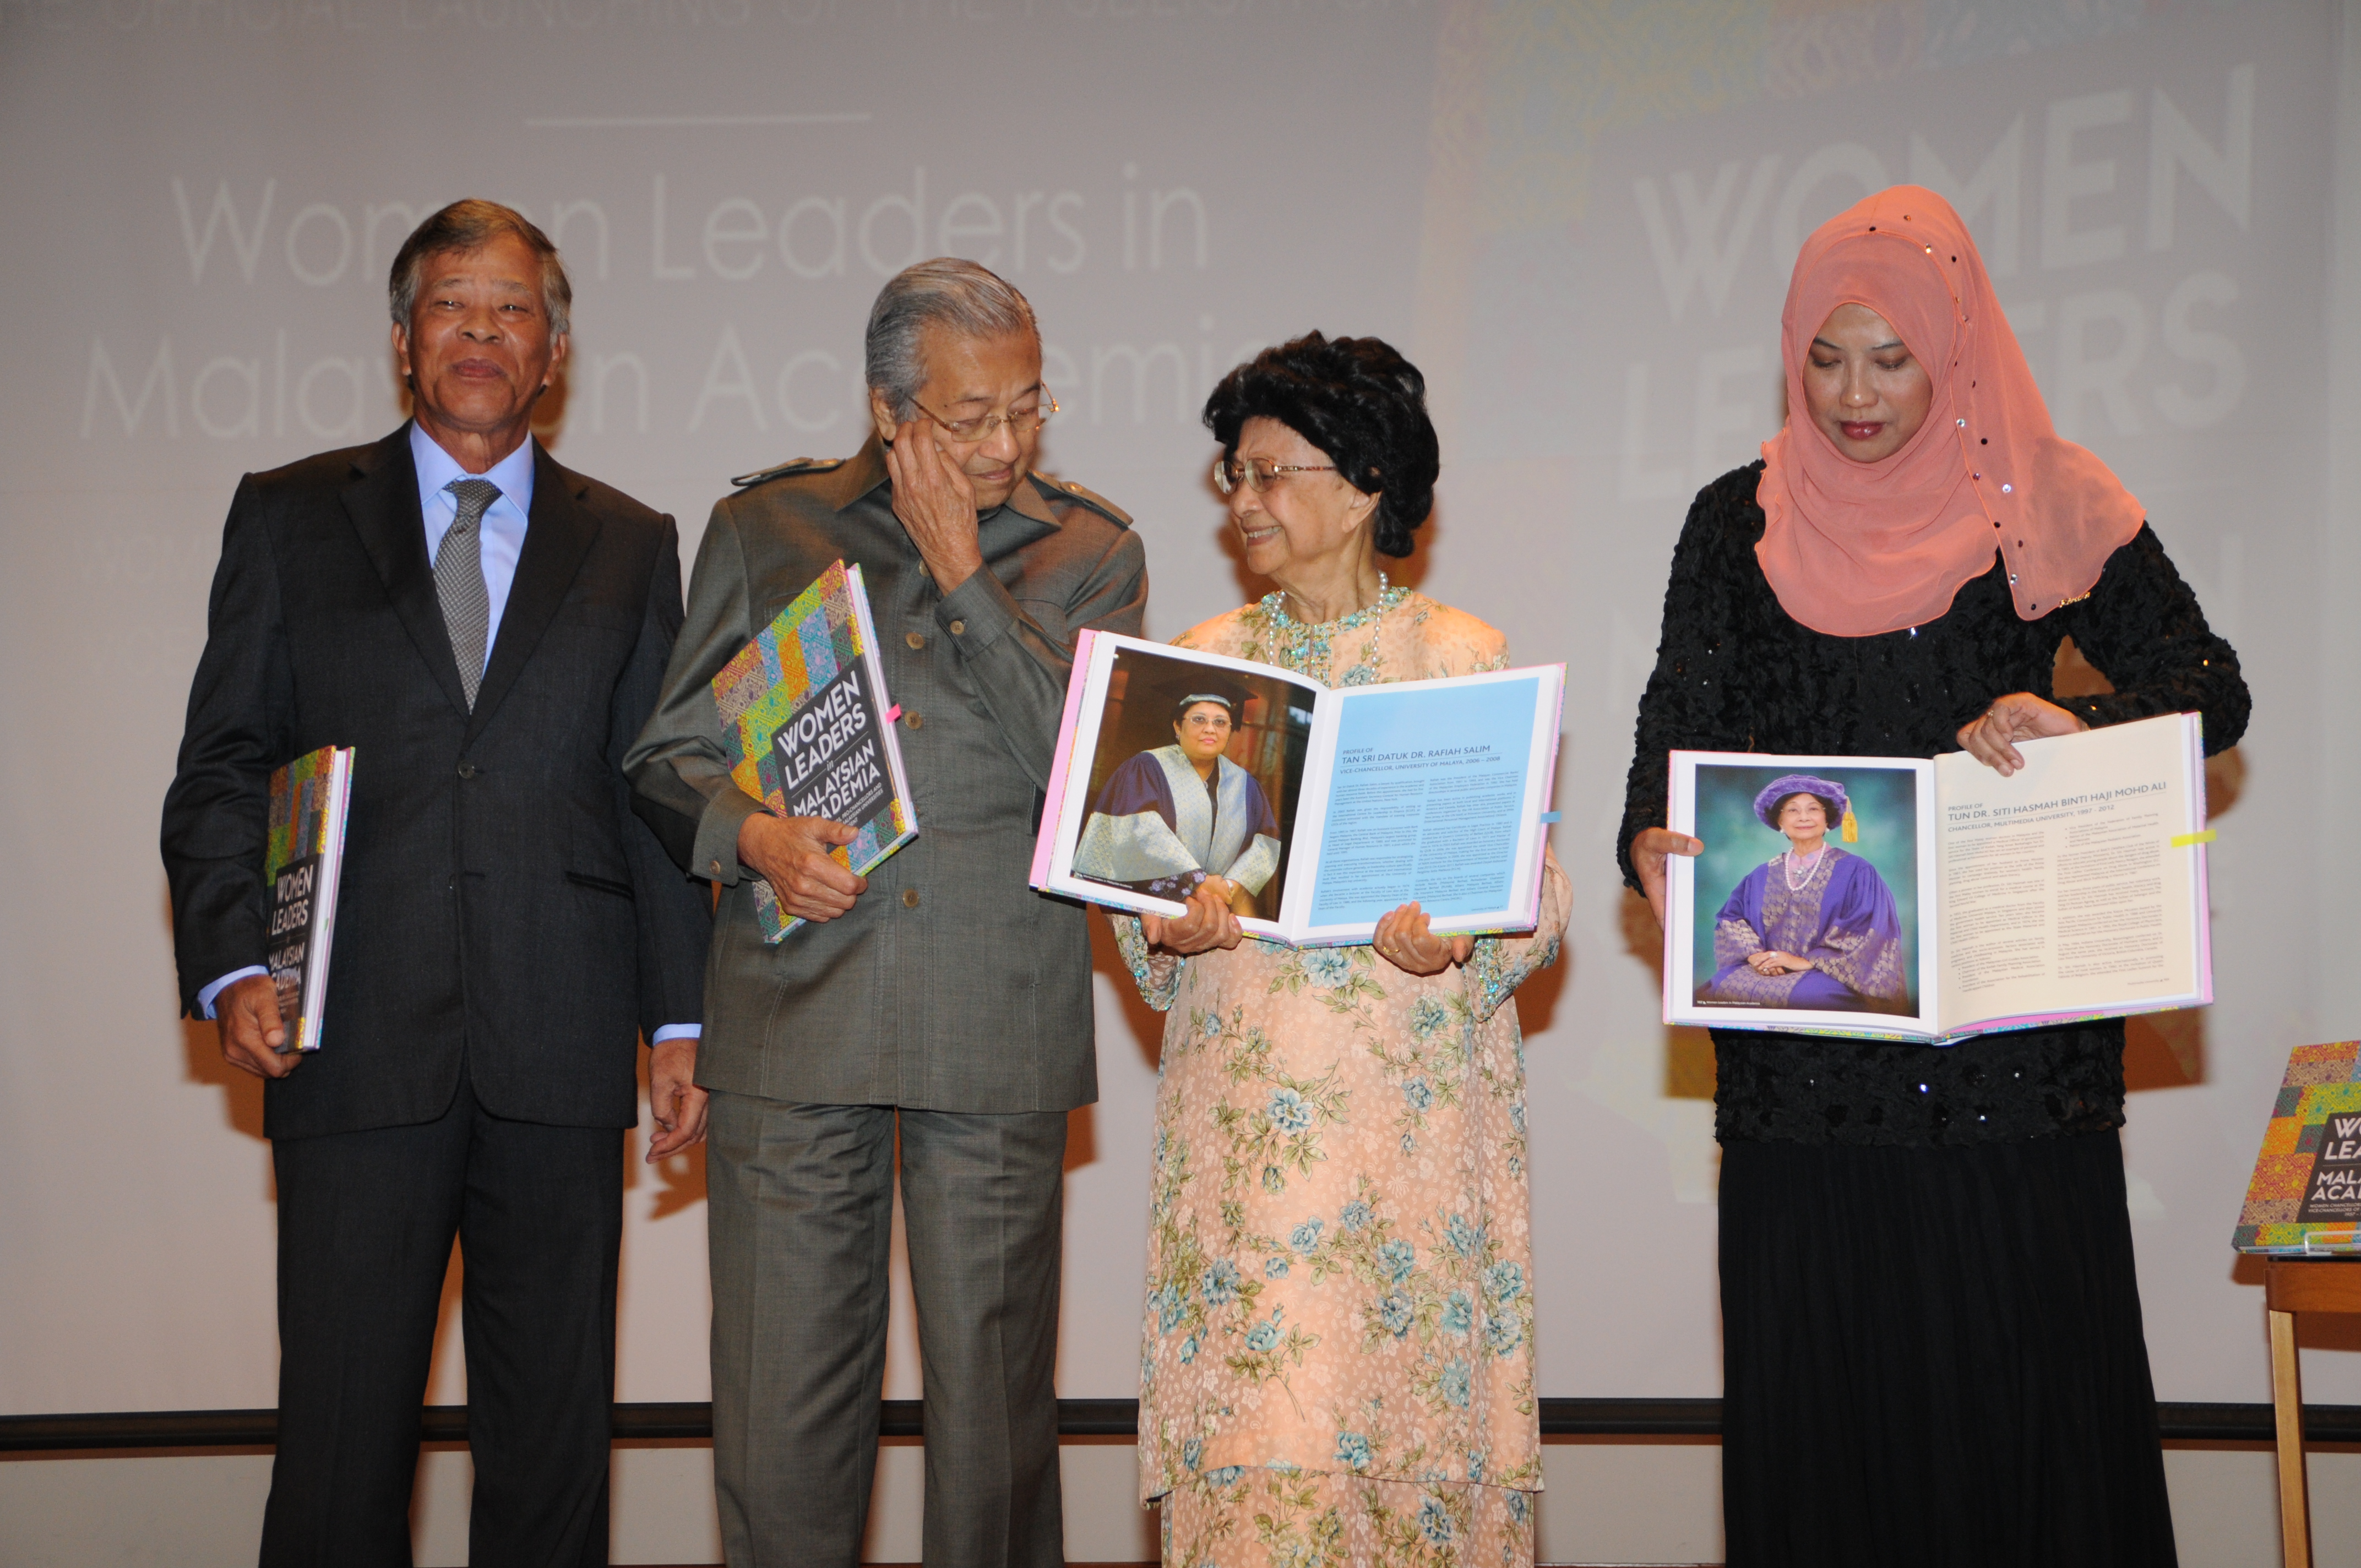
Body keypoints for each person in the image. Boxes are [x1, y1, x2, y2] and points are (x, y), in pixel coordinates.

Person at [1618, 187, 2248, 1566]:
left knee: (2025, 1410)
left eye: (1890, 359)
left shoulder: (2047, 498)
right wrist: (1650, 841)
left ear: (1953, 347)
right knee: (1828, 1420)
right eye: (1823, 358)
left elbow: (2209, 686)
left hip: (2012, 1058)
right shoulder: (1732, 522)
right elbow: (1673, 732)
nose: (1852, 396)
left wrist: (2073, 722)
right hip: (1804, 1074)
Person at [159, 200, 712, 1567]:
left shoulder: (631, 539)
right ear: (403, 340)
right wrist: (232, 961)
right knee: (339, 1446)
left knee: (551, 1450)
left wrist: (681, 1018)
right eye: (452, 304)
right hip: (349, 1038)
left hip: (558, 1043)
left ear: (554, 353)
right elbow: (223, 764)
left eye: (513, 308)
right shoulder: (289, 514)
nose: (482, 330)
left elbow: (651, 790)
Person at [624, 258, 1147, 1568]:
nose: (1006, 442)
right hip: (795, 1021)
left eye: (1026, 406)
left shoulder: (1093, 550)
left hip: (995, 1021)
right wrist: (750, 835)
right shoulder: (766, 528)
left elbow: (1092, 777)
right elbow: (666, 755)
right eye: (971, 417)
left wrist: (964, 569)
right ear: (886, 410)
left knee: (992, 1434)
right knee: (779, 1427)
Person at [1113, 332, 1569, 1567]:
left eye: (1271, 473)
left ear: (1366, 486)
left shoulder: (1460, 653)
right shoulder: (1201, 664)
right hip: (1244, 1134)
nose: (1244, 500)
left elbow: (1538, 893)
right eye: (1234, 474)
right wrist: (1165, 920)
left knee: (1409, 1450)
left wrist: (1464, 939)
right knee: (1259, 1441)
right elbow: (1135, 888)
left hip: (1411, 1133)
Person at [1700, 775, 1907, 1013]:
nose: (1804, 817)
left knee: (1807, 998)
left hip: (1828, 972)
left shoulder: (1857, 871)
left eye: (1813, 809)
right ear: (1780, 822)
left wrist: (1804, 962)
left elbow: (1868, 929)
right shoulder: (1761, 875)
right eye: (1792, 810)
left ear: (1827, 819)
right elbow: (1732, 918)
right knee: (1718, 987)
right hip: (1767, 968)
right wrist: (1756, 956)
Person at [1071, 690, 1283, 912]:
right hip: (1150, 909)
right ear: (1178, 727)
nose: (1210, 729)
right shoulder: (1147, 768)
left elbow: (1265, 844)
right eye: (1199, 719)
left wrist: (1228, 886)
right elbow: (1141, 832)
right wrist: (1197, 882)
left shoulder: (1246, 785)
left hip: (1219, 907)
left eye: (1220, 722)